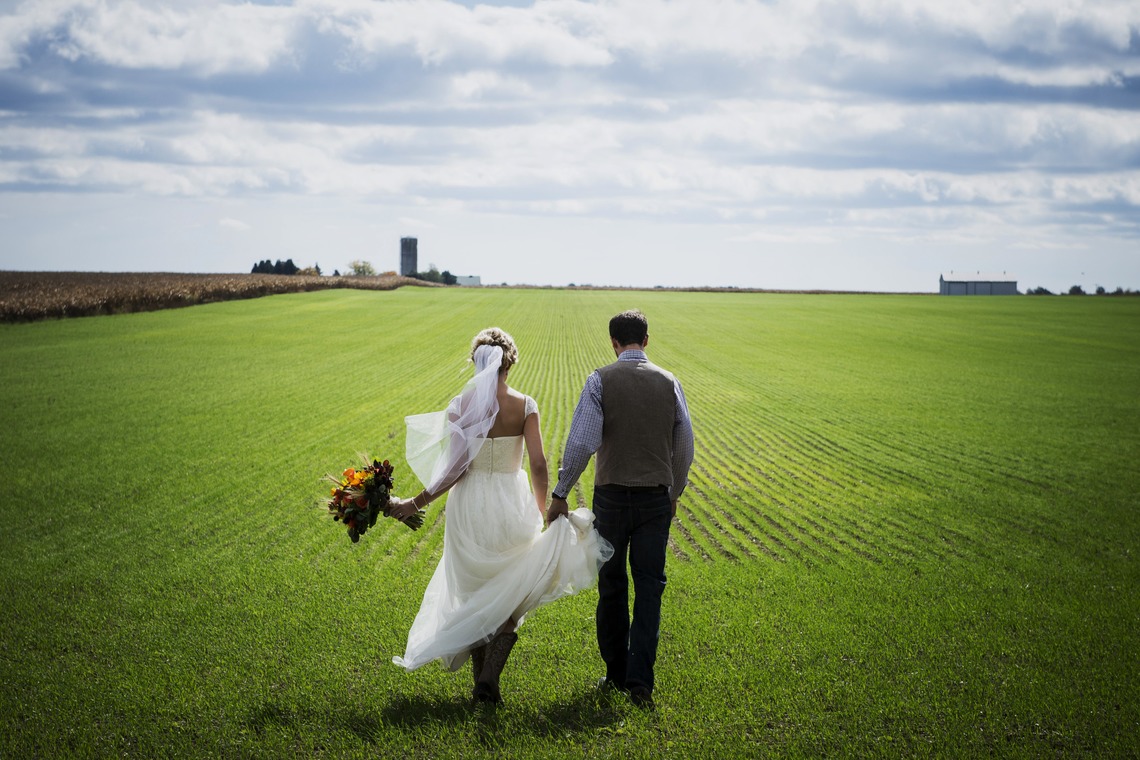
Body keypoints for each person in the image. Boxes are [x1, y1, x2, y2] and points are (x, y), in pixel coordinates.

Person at [389, 328, 612, 704]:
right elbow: (538, 464)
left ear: (476, 361)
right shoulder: (525, 405)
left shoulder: (462, 405)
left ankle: (484, 681)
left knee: (477, 591)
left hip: (469, 504)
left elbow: (456, 468)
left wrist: (415, 501)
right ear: (510, 363)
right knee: (509, 589)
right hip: (512, 501)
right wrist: (544, 509)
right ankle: (487, 679)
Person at [546, 309, 694, 709]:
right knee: (650, 588)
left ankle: (614, 673)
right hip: (654, 499)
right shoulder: (670, 382)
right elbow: (684, 448)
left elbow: (582, 443)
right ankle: (640, 681)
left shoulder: (600, 380)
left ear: (614, 343)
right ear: (646, 340)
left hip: (610, 497)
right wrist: (673, 491)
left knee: (612, 586)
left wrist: (561, 492)